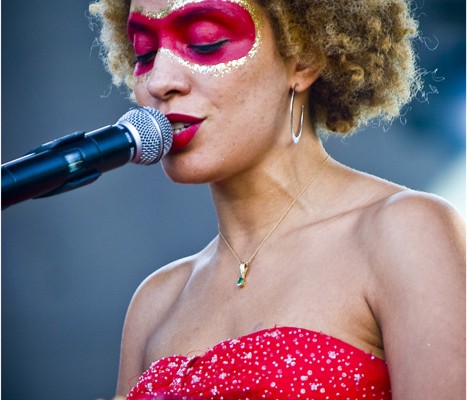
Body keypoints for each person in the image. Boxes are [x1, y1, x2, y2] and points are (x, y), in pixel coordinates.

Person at [89, 0, 466, 398]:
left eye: (205, 41)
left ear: (304, 58)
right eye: (145, 52)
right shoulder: (155, 302)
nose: (158, 81)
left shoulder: (405, 233)